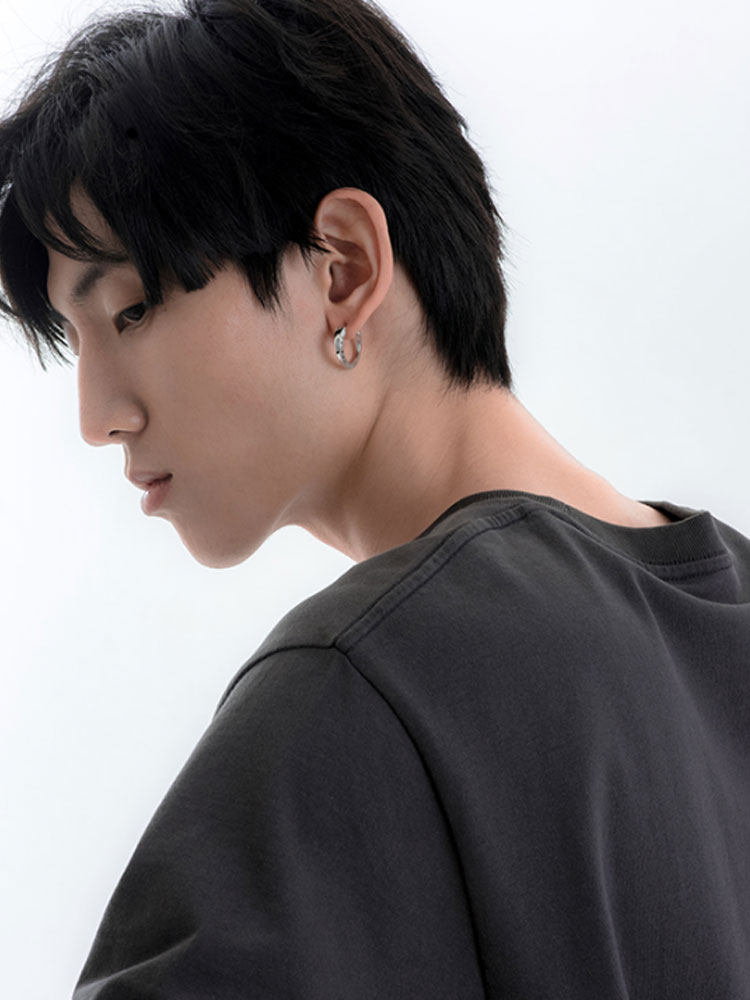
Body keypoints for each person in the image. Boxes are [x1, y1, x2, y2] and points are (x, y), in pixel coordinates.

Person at [1, 0, 748, 996]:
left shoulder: (366, 683)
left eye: (131, 308)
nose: (97, 417)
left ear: (344, 268)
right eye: (75, 341)